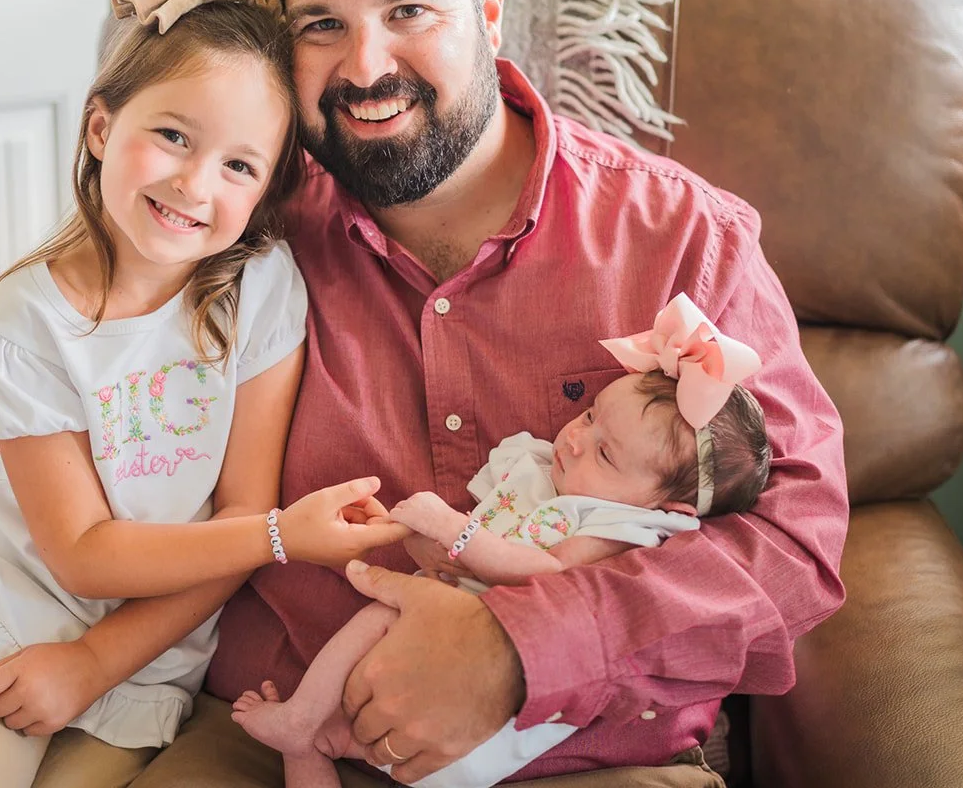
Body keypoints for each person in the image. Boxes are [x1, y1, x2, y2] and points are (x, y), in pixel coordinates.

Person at [0, 0, 847, 788]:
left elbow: (795, 542)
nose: (365, 67)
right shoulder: (241, 225)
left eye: (409, 9)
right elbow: (60, 412)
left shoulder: (682, 236)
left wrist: (520, 648)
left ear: (490, 9)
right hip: (268, 731)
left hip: (579, 752)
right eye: (321, 24)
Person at [0, 0, 409, 787]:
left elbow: (237, 517)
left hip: (147, 660)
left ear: (266, 189)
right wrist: (282, 536)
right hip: (3, 630)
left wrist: (97, 663)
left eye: (238, 165)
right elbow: (82, 552)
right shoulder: (26, 323)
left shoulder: (261, 291)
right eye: (172, 135)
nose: (195, 185)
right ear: (101, 127)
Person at [230, 294, 771, 788]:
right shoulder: (541, 470)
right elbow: (474, 539)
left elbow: (548, 573)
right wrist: (412, 534)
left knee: (380, 615)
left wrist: (453, 529)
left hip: (488, 713)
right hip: (422, 655)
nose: (576, 439)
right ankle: (305, 744)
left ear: (666, 508)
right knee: (339, 720)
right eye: (589, 415)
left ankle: (301, 720)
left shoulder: (616, 525)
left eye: (606, 453)